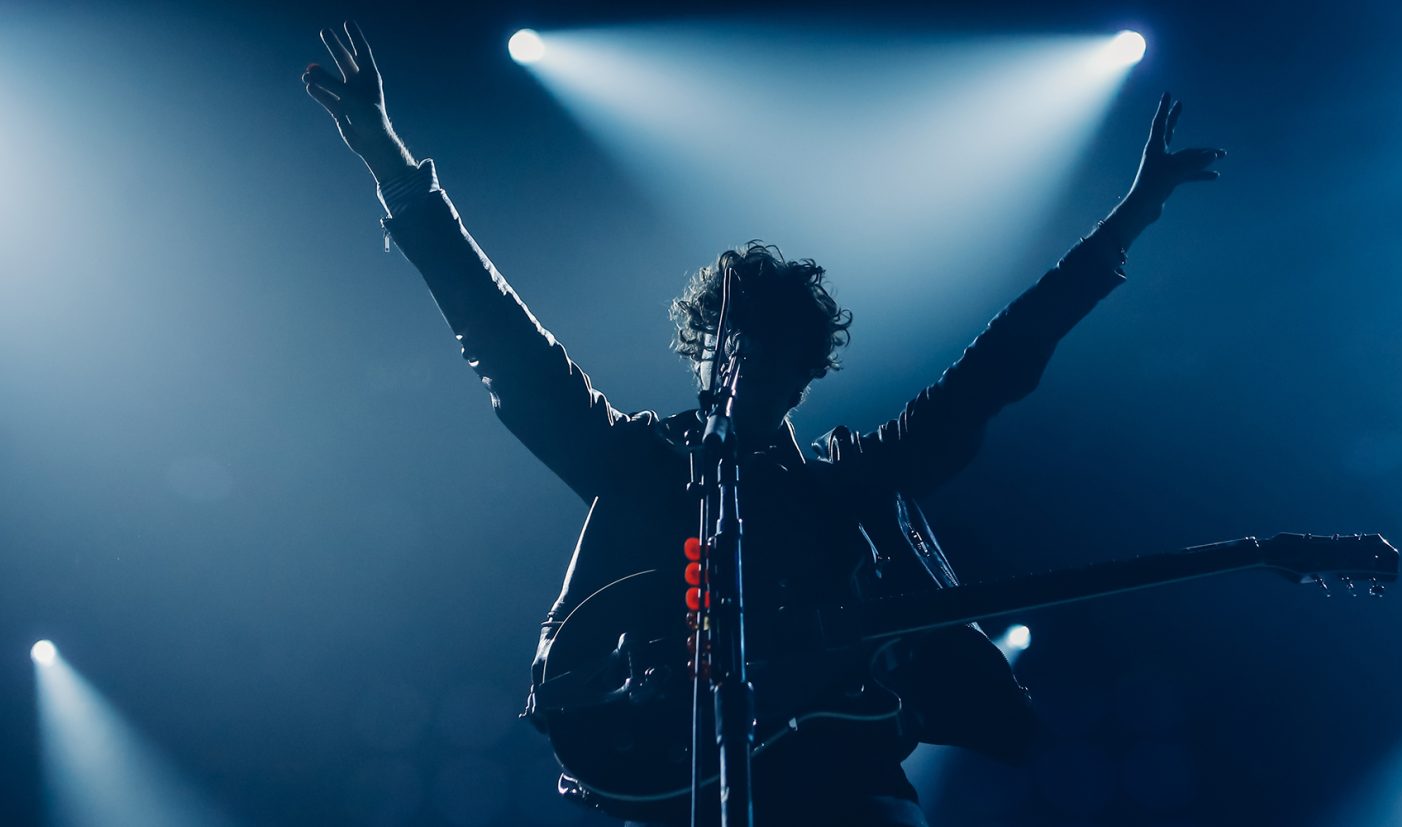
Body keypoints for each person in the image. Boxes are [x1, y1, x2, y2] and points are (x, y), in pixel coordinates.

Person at [304, 21, 1224, 827]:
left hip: (847, 786)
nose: (749, 365)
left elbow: (1002, 362)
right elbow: (504, 342)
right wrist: (389, 160)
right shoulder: (644, 465)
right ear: (703, 354)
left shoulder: (858, 482)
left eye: (776, 351)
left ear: (805, 373)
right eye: (732, 344)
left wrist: (1128, 220)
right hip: (680, 787)